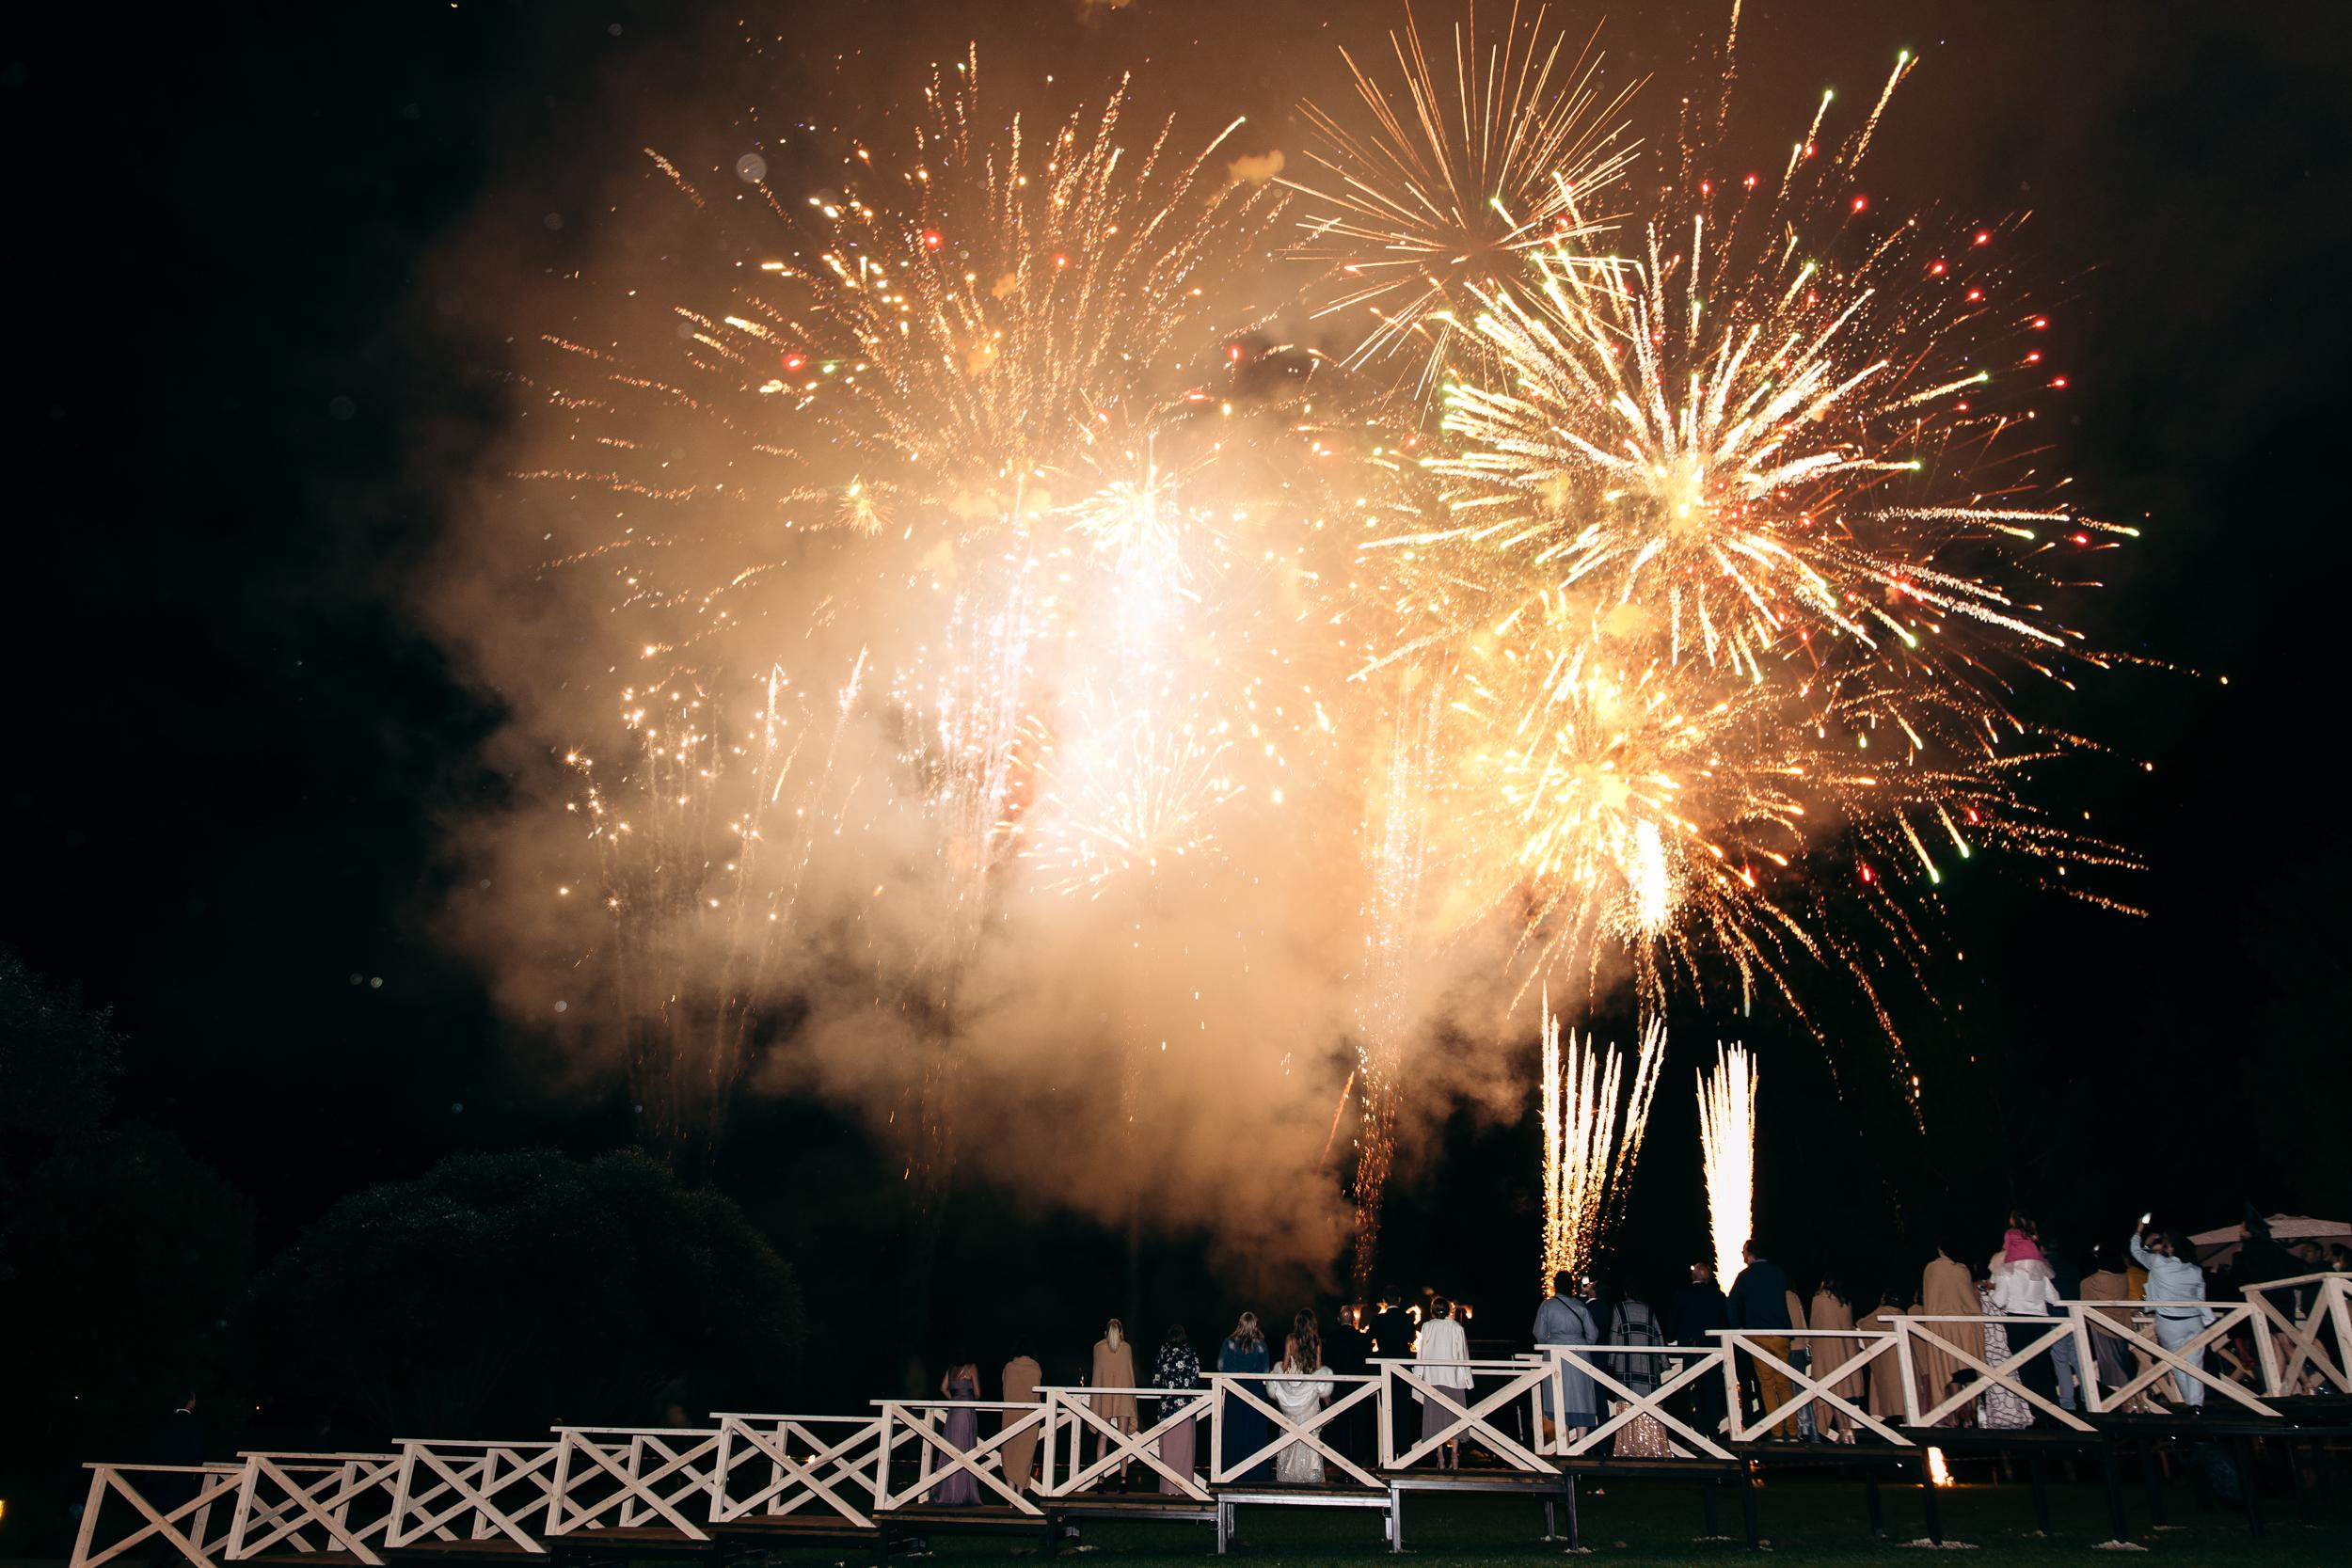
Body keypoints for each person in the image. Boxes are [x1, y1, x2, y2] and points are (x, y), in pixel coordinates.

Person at [2129, 1221, 2216, 1409]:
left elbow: (2136, 1252)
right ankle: (2196, 1405)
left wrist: (2139, 1233)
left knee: (2178, 1365)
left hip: (2170, 1323)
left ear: (2171, 1247)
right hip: (2194, 1321)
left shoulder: (2159, 1263)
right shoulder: (2195, 1270)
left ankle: (2191, 1405)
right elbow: (2201, 1297)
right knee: (2195, 1365)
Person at [1725, 1240, 1797, 1438]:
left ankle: (1776, 1430)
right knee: (1783, 1382)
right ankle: (1792, 1430)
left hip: (1758, 1334)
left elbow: (1732, 1303)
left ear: (1750, 1255)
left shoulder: (1745, 1276)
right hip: (1781, 1332)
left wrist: (1737, 1328)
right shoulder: (1778, 1273)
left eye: (1744, 1252)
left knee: (1766, 1383)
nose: (1742, 1255)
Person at [1988, 1231, 2060, 1422]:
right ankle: (2054, 1412)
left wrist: (1988, 1294)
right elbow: (2054, 1298)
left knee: (2027, 1372)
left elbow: (2000, 1301)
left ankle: (2039, 1415)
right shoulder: (2038, 1268)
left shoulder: (2007, 1270)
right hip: (2040, 1323)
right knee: (2044, 1368)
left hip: (2018, 1322)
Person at [1606, 1286, 1672, 1458]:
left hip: (1626, 1364)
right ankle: (1653, 1445)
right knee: (1650, 1402)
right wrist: (1665, 1363)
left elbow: (1614, 1334)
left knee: (1627, 1401)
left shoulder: (1619, 1308)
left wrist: (1611, 1361)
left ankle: (1628, 1446)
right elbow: (1659, 1336)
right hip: (1648, 1364)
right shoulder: (1649, 1310)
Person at [1534, 1271, 1600, 1441]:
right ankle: (1580, 1446)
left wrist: (1548, 1344)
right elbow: (1592, 1333)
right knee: (1581, 1397)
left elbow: (1539, 1333)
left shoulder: (1547, 1305)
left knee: (1558, 1397)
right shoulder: (1580, 1306)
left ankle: (1564, 1445)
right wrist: (1584, 1344)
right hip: (1579, 1352)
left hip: (1555, 1351)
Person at [1917, 1242, 1978, 1423]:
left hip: (1941, 1327)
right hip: (1965, 1326)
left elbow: (1931, 1298)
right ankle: (1972, 1409)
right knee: (1967, 1369)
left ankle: (1957, 1410)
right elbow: (1969, 1299)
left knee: (1948, 1370)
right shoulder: (1962, 1270)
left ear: (1940, 1250)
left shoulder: (1932, 1269)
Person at [1669, 1259, 1730, 1438]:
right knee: (1713, 1391)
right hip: (1713, 1351)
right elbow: (1726, 1323)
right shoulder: (1718, 1296)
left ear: (1693, 1276)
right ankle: (1713, 1430)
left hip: (1690, 1349)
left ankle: (1697, 1431)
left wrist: (1671, 1338)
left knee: (1692, 1390)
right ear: (1708, 1277)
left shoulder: (1682, 1294)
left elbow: (1674, 1319)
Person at [1267, 1327, 1336, 1483]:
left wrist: (1275, 1378)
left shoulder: (1290, 1339)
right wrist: (1326, 1395)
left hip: (1294, 1382)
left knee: (1291, 1425)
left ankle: (1290, 1471)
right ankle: (1311, 1471)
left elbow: (1285, 1365)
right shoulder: (1316, 1341)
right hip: (1310, 1383)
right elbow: (1319, 1369)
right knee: (1311, 1428)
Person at [1413, 1295, 1471, 1467]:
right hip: (1453, 1377)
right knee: (1455, 1417)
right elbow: (1463, 1354)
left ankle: (1440, 1455)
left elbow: (1421, 1353)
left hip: (1433, 1378)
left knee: (1435, 1417)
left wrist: (1417, 1376)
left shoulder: (1427, 1327)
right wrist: (1467, 1378)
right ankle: (1454, 1454)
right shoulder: (1456, 1327)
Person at [1973, 1269, 2032, 1431]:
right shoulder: (1984, 1289)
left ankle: (2011, 1415)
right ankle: (2006, 1415)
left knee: (2006, 1374)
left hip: (1996, 1339)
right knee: (2001, 1376)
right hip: (1994, 1339)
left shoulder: (1991, 1288)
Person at [1218, 1312, 1273, 1481]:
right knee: (1253, 1430)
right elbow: (1265, 1370)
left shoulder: (1229, 1343)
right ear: (1255, 1325)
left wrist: (1236, 1373)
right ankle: (1256, 1472)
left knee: (1235, 1430)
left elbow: (1221, 1366)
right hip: (1254, 1390)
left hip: (1235, 1389)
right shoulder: (1261, 1345)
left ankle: (1232, 1470)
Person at [1806, 1278, 1861, 1442]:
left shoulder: (1818, 1300)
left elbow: (1814, 1325)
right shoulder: (1845, 1302)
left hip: (1826, 1351)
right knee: (1842, 1391)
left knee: (1831, 1391)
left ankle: (1842, 1430)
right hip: (1844, 1352)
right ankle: (1847, 1429)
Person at [1150, 1325, 1202, 1493]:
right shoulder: (1190, 1352)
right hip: (1186, 1407)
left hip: (1167, 1408)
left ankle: (1167, 1488)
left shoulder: (1163, 1351)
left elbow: (1156, 1379)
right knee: (1184, 1450)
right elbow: (1195, 1377)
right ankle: (1185, 1488)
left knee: (1169, 1451)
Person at [1089, 1319, 1139, 1486]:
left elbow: (1097, 1377)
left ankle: (1101, 1476)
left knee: (1103, 1437)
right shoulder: (1126, 1349)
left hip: (1104, 1398)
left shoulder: (1098, 1348)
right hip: (1123, 1398)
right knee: (1122, 1439)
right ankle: (1123, 1479)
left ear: (1105, 1333)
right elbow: (1129, 1377)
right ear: (1121, 1333)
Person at [1324, 1299, 1374, 1465]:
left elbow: (1327, 1367)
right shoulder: (1362, 1339)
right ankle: (1357, 1467)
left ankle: (1344, 1468)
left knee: (1342, 1429)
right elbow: (1368, 1366)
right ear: (1354, 1320)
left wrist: (1327, 1392)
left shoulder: (1331, 1339)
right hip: (1359, 1390)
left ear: (1339, 1320)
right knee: (1359, 1429)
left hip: (1339, 1390)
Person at [928, 1358, 983, 1504]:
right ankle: (962, 1492)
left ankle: (947, 1490)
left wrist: (954, 1398)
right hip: (965, 1409)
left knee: (952, 1448)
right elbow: (978, 1392)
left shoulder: (951, 1368)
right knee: (965, 1448)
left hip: (953, 1410)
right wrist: (969, 1396)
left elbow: (943, 1388)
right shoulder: (971, 1367)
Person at [1858, 1290, 1913, 1424]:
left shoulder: (1879, 1314)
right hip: (1903, 1362)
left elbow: (1862, 1323)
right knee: (1904, 1393)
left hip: (1884, 1362)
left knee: (1882, 1390)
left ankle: (1881, 1416)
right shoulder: (1903, 1315)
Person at [1000, 1349, 1044, 1495]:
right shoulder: (1035, 1367)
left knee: (1009, 1456)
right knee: (1025, 1457)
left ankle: (1011, 1498)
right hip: (1029, 1417)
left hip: (1010, 1416)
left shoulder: (1009, 1367)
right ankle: (1019, 1496)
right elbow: (1037, 1393)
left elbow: (1004, 1387)